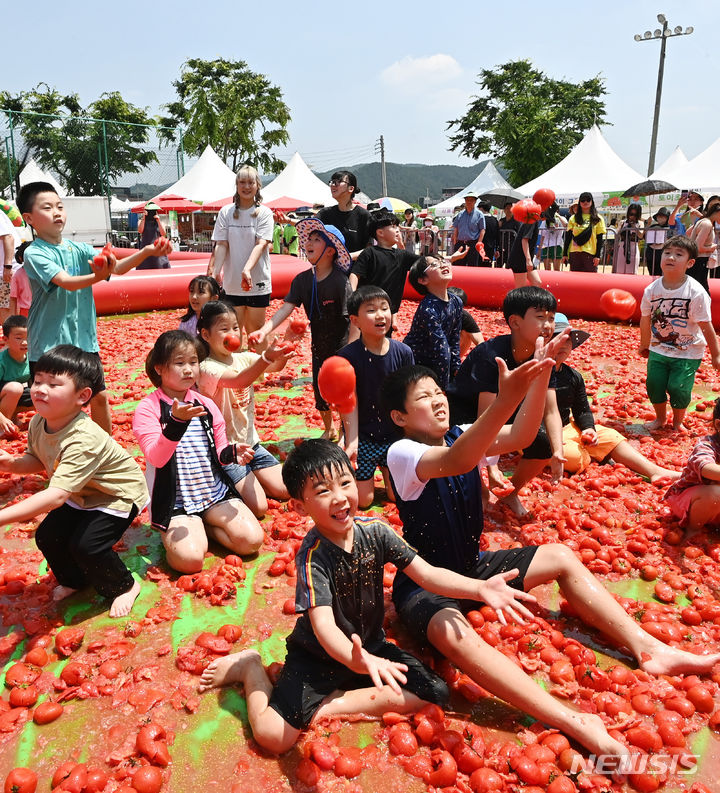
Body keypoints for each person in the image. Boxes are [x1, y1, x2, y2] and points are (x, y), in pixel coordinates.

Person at [381, 362, 720, 761]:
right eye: (424, 396)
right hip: (427, 583)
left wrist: (543, 374)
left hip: (474, 565)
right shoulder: (401, 452)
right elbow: (456, 460)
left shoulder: (461, 434)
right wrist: (506, 398)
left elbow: (524, 435)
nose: (438, 399)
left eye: (439, 391)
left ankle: (648, 649)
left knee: (560, 555)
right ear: (399, 416)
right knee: (449, 634)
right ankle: (569, 718)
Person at [198, 439, 541, 754]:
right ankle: (250, 668)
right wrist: (354, 660)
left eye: (345, 483)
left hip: (370, 648)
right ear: (301, 507)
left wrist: (478, 587)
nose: (339, 497)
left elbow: (427, 573)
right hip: (318, 657)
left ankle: (329, 706)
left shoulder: (375, 531)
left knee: (434, 691)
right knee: (273, 738)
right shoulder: (313, 556)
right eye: (322, 491)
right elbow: (324, 627)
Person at [0, 346, 149, 617]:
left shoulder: (83, 437)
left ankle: (124, 586)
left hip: (117, 495)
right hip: (81, 492)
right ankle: (74, 580)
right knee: (48, 536)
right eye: (38, 380)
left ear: (82, 396)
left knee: (87, 546)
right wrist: (12, 464)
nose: (40, 389)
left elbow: (56, 496)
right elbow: (38, 458)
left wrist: (2, 516)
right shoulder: (38, 422)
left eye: (54, 384)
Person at [18, 181, 172, 434]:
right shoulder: (35, 253)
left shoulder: (77, 248)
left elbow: (117, 267)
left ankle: (105, 451)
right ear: (29, 218)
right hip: (50, 345)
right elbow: (66, 283)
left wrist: (146, 251)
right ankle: (54, 454)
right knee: (58, 407)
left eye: (60, 206)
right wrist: (98, 277)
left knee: (99, 397)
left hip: (85, 342)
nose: (57, 212)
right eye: (47, 208)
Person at [132, 330, 264, 573]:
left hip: (211, 492)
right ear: (159, 368)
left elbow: (220, 452)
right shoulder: (147, 409)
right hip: (176, 501)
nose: (188, 370)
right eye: (179, 363)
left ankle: (206, 527)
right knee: (190, 562)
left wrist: (234, 453)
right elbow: (156, 458)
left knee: (252, 541)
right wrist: (176, 423)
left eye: (193, 362)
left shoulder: (206, 404)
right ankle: (191, 533)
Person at [447, 287, 564, 516]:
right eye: (540, 317)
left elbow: (551, 411)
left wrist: (558, 452)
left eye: (551, 318)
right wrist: (491, 467)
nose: (548, 325)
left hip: (507, 411)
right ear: (515, 322)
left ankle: (511, 494)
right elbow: (485, 418)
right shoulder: (492, 355)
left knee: (544, 445)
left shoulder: (546, 355)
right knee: (475, 500)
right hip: (464, 417)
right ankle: (478, 487)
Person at [249, 219, 352, 441]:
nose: (309, 243)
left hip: (341, 345)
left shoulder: (339, 281)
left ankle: (345, 430)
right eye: (309, 239)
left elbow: (351, 318)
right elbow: (285, 308)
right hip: (318, 345)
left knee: (343, 389)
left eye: (317, 240)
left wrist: (353, 349)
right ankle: (329, 428)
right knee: (319, 388)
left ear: (330, 251)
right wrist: (264, 331)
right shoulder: (302, 280)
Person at [550, 313, 679, 483]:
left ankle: (654, 471)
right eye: (557, 339)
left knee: (611, 436)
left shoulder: (573, 376)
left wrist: (588, 429)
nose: (563, 344)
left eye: (567, 339)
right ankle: (594, 456)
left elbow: (582, 409)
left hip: (567, 427)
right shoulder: (534, 371)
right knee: (574, 457)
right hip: (539, 433)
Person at [197, 300, 291, 517]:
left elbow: (275, 366)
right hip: (227, 450)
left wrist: (287, 344)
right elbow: (239, 380)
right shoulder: (206, 368)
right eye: (224, 329)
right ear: (205, 335)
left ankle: (250, 478)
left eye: (235, 328)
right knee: (259, 509)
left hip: (251, 444)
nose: (232, 333)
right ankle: (222, 478)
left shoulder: (244, 358)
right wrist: (267, 357)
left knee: (286, 490)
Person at [338, 286, 414, 508]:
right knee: (364, 501)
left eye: (385, 308)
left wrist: (412, 436)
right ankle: (362, 473)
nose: (381, 315)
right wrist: (352, 441)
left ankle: (389, 469)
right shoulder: (347, 357)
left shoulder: (403, 352)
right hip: (365, 436)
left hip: (395, 435)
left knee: (395, 497)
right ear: (355, 320)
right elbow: (348, 402)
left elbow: (408, 396)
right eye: (371, 310)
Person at [639, 236, 720, 432]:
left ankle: (677, 421)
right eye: (667, 253)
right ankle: (660, 418)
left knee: (678, 387)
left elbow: (706, 325)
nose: (671, 257)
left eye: (678, 254)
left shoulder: (695, 292)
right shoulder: (652, 290)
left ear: (690, 263)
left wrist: (716, 354)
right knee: (654, 384)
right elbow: (645, 318)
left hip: (688, 350)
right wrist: (644, 343)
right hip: (659, 348)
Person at [211, 165, 274, 348]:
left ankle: (261, 373)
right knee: (233, 330)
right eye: (242, 182)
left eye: (250, 182)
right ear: (237, 185)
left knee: (256, 329)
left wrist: (247, 269)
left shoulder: (264, 213)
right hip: (232, 283)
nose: (246, 187)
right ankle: (237, 374)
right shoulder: (226, 212)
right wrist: (216, 271)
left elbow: (261, 244)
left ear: (257, 185)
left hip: (257, 280)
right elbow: (222, 244)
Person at [350, 210, 418, 337]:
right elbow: (355, 274)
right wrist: (352, 296)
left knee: (384, 339)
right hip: (368, 308)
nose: (397, 230)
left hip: (387, 310)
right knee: (365, 340)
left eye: (397, 226)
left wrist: (451, 258)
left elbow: (423, 262)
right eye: (393, 227)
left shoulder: (402, 255)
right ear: (380, 233)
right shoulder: (370, 253)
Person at [404, 256, 462, 389]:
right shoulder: (428, 308)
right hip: (417, 364)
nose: (443, 265)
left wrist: (456, 368)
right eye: (435, 264)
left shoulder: (456, 301)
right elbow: (440, 347)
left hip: (437, 360)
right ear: (423, 280)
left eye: (444, 261)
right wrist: (443, 387)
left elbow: (454, 338)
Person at [665, 398, 720, 531]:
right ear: (718, 425)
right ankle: (692, 531)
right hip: (691, 502)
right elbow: (705, 467)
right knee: (716, 493)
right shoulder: (707, 445)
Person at [317, 171, 372, 260]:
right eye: (332, 182)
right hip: (331, 270)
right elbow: (309, 225)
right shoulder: (325, 213)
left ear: (351, 188)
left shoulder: (364, 215)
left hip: (356, 270)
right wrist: (288, 220)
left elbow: (369, 249)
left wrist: (346, 257)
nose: (332, 185)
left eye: (338, 181)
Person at [0, 315, 32, 437]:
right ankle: (2, 426)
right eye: (18, 338)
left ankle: (12, 418)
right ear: (5, 339)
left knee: (44, 393)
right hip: (7, 393)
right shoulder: (2, 361)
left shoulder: (32, 358)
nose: (24, 342)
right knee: (15, 388)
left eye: (28, 338)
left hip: (12, 396)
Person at [562, 192, 606, 273]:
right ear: (580, 203)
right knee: (574, 280)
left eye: (588, 200)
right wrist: (564, 254)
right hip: (575, 253)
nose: (585, 202)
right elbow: (568, 237)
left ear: (592, 202)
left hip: (590, 254)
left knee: (591, 281)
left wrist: (597, 256)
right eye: (582, 200)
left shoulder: (598, 218)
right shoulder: (573, 218)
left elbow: (600, 239)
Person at [686, 201, 720, 292]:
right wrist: (712, 248)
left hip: (696, 261)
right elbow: (698, 247)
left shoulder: (703, 221)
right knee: (701, 289)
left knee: (695, 289)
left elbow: (688, 232)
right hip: (699, 261)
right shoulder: (707, 224)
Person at [447, 286, 484, 357]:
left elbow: (480, 342)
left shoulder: (464, 316)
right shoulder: (433, 312)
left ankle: (456, 359)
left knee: (467, 334)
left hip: (452, 349)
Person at [506, 217, 542, 288]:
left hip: (524, 259)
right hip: (519, 259)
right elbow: (524, 240)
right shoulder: (531, 220)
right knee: (520, 288)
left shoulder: (532, 219)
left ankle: (530, 299)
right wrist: (528, 260)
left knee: (537, 282)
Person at [451, 192, 484, 267]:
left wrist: (479, 243)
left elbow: (482, 229)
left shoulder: (479, 214)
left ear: (475, 201)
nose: (469, 202)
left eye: (471, 200)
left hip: (473, 244)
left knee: (472, 267)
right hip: (460, 244)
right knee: (458, 266)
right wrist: (455, 239)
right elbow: (456, 227)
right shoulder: (460, 214)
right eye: (467, 200)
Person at [612, 203, 643, 275]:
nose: (632, 216)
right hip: (622, 247)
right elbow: (616, 234)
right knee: (620, 270)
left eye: (635, 215)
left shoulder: (640, 223)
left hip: (633, 247)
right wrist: (620, 228)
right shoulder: (622, 222)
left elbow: (641, 235)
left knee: (632, 270)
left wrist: (634, 226)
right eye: (631, 214)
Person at [538, 203, 567, 271]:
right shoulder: (545, 221)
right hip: (546, 246)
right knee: (547, 269)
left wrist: (558, 216)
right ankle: (548, 281)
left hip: (557, 245)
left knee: (556, 269)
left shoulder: (562, 218)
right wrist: (539, 250)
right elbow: (542, 236)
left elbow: (566, 226)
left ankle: (557, 282)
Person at [644, 207, 672, 276]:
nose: (660, 218)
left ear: (667, 218)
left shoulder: (671, 228)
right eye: (658, 216)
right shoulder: (653, 226)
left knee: (661, 272)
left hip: (662, 253)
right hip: (651, 253)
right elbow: (645, 236)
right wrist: (648, 224)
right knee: (652, 272)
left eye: (662, 216)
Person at [0, 205, 16, 324]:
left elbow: (8, 237)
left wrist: (7, 266)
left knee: (5, 312)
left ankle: (10, 342)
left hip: (5, 272)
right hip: (4, 271)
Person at [10, 241, 32, 317]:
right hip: (25, 313)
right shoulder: (17, 275)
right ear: (21, 258)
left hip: (43, 310)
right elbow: (13, 298)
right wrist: (13, 320)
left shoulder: (44, 272)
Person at [497, 201, 519, 268]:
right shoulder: (501, 220)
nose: (509, 210)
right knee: (499, 264)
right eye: (507, 208)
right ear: (504, 210)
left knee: (510, 265)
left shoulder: (517, 221)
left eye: (510, 208)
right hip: (502, 245)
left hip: (512, 246)